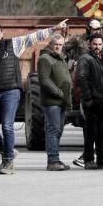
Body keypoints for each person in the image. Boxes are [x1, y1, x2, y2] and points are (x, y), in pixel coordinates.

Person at [0, 19, 68, 175]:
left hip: (10, 91)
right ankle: (6, 148)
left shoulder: (13, 44)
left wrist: (54, 28)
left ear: (2, 34)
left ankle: (8, 162)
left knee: (6, 125)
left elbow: (34, 37)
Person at [64, 18, 103, 169]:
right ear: (88, 29)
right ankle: (87, 157)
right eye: (93, 29)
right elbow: (64, 51)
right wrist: (70, 64)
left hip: (97, 88)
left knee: (99, 127)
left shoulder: (102, 43)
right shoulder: (78, 40)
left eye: (98, 29)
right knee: (90, 125)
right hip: (81, 82)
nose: (95, 31)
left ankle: (99, 157)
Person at [78, 33, 103, 169]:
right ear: (89, 44)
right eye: (94, 44)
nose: (97, 47)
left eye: (99, 44)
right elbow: (82, 79)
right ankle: (88, 160)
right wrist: (88, 98)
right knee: (90, 133)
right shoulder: (85, 59)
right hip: (92, 102)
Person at [38, 33, 72, 171]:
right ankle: (52, 160)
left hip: (62, 101)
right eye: (55, 44)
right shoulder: (45, 59)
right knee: (53, 130)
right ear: (50, 44)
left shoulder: (61, 58)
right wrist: (58, 93)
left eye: (60, 45)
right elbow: (44, 80)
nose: (58, 47)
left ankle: (55, 158)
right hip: (52, 101)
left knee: (58, 130)